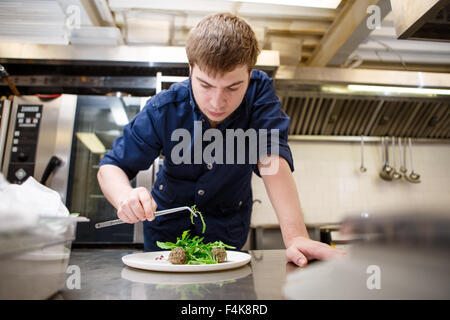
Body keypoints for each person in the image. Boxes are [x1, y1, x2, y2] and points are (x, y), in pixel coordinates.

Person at [97, 12, 345, 267]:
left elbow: (270, 157)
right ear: (190, 70)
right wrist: (123, 196)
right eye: (205, 85)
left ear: (249, 75)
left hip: (226, 238)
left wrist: (295, 237)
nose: (217, 103)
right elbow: (111, 166)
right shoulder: (165, 108)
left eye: (233, 88)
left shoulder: (259, 96)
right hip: (166, 236)